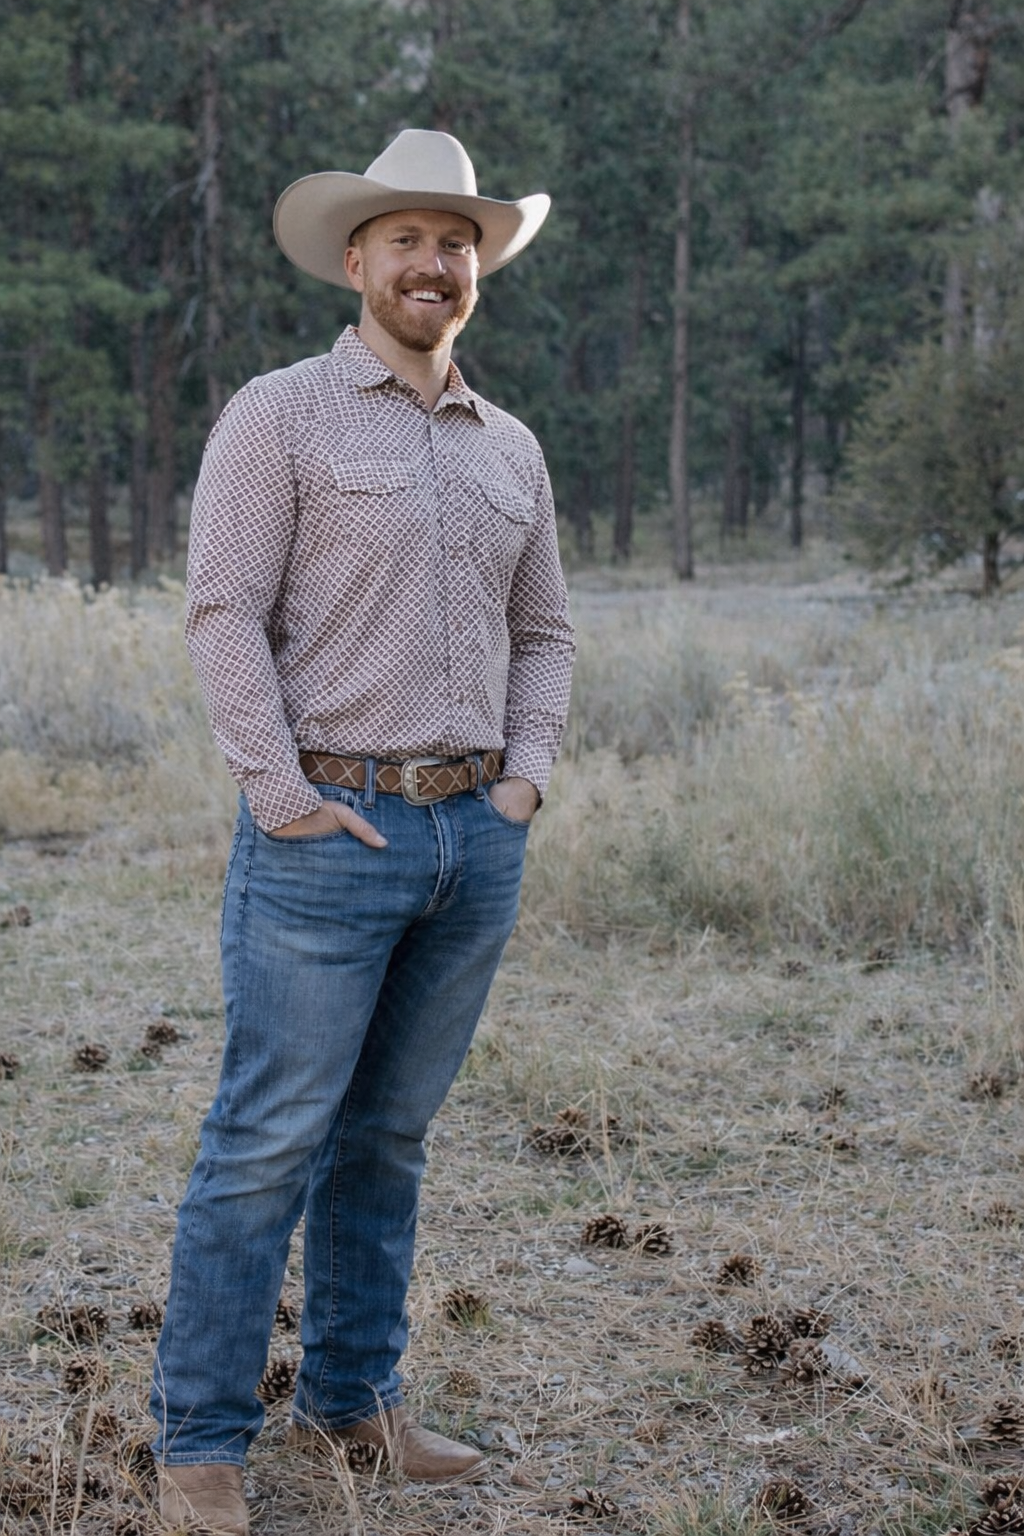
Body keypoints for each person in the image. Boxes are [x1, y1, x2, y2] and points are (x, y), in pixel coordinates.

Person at [150, 129, 575, 1535]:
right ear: (355, 260)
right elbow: (224, 613)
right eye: (407, 238)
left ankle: (353, 1403)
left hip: (473, 842)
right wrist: (280, 795)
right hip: (325, 835)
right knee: (269, 1139)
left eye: (458, 242)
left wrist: (523, 783)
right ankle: (200, 1445)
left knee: (388, 1136)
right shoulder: (278, 416)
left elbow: (544, 633)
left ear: (478, 271)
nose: (433, 263)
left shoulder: (511, 447)